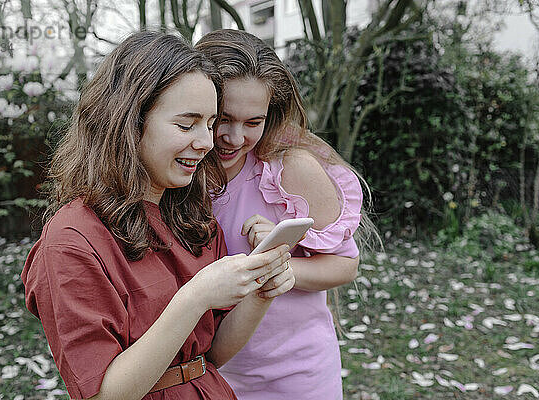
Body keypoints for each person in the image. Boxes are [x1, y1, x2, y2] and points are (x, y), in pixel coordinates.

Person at [21, 31, 295, 400]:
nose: (207, 142)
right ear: (129, 122)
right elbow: (103, 394)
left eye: (210, 124)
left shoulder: (192, 218)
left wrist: (260, 292)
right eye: (186, 124)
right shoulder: (73, 239)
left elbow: (208, 356)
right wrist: (194, 297)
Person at [196, 29, 379, 399]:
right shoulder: (179, 173)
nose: (234, 138)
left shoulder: (290, 170)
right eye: (223, 119)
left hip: (296, 375)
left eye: (253, 122)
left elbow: (345, 266)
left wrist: (277, 264)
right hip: (207, 376)